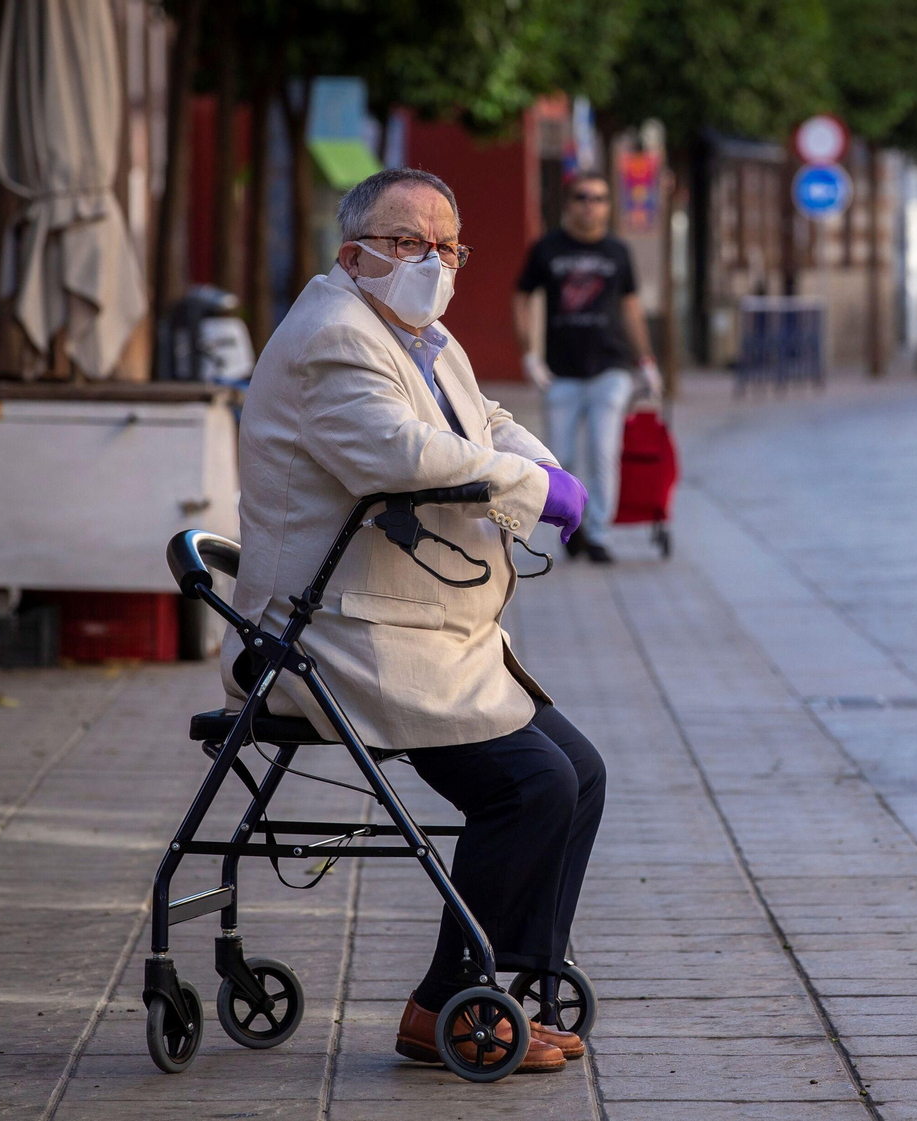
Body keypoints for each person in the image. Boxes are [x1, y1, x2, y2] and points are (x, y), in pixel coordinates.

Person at [227, 168, 603, 1074]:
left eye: (446, 246)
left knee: (579, 772)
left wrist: (549, 467)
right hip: (329, 643)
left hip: (414, 629)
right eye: (406, 242)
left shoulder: (416, 332)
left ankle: (506, 983)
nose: (429, 260)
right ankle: (443, 1004)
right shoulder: (332, 338)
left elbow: (485, 419)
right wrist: (531, 490)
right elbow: (403, 454)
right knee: (529, 786)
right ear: (351, 252)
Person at [514, 171, 661, 564]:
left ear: (608, 205)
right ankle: (572, 529)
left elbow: (630, 306)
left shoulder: (617, 251)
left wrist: (646, 360)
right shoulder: (547, 248)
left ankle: (598, 535)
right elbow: (522, 297)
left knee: (603, 452)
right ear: (568, 204)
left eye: (599, 198)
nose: (590, 205)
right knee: (559, 459)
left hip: (611, 369)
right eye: (582, 197)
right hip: (560, 371)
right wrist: (529, 353)